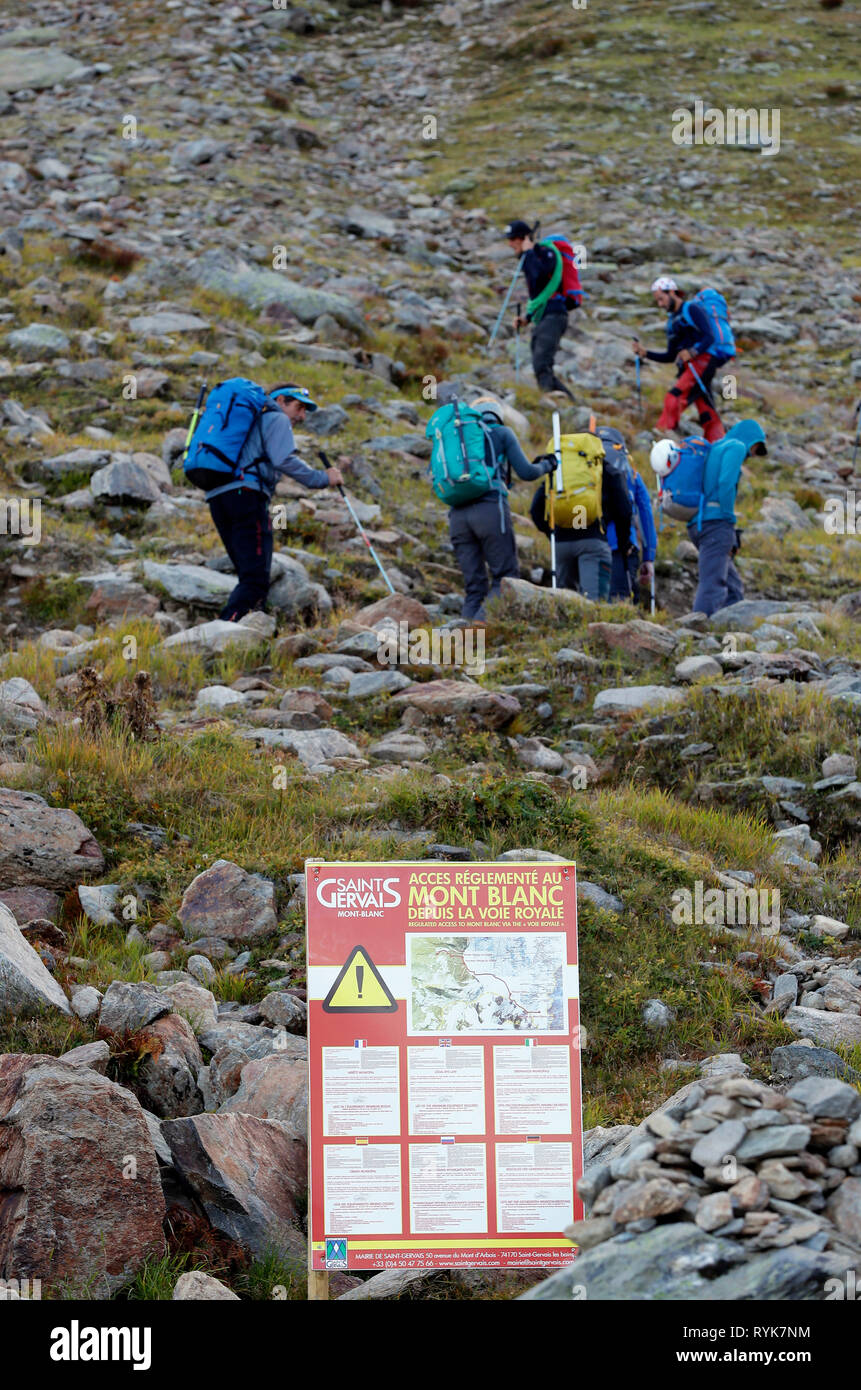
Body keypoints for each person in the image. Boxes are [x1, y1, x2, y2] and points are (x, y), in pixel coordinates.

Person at [207, 383, 343, 621]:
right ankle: (228, 633)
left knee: (247, 572)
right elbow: (284, 460)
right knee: (256, 579)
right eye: (299, 408)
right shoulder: (276, 418)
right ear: (281, 400)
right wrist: (322, 478)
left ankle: (240, 627)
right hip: (247, 496)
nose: (302, 416)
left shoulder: (248, 421)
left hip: (219, 496)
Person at [443, 392, 555, 620]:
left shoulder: (459, 438)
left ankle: (462, 645)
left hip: (457, 515)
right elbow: (526, 472)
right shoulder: (502, 432)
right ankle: (479, 636)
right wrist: (548, 464)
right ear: (497, 414)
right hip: (490, 509)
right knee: (504, 577)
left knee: (474, 588)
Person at [651, 419, 767, 616]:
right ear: (749, 438)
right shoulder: (736, 446)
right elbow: (726, 483)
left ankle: (733, 622)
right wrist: (729, 518)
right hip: (716, 524)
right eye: (756, 448)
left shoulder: (716, 446)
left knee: (732, 585)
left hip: (698, 524)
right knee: (713, 583)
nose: (753, 454)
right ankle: (698, 628)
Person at [529, 444, 633, 600]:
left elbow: (535, 508)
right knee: (594, 604)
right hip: (593, 542)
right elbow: (624, 510)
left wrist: (552, 534)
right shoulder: (604, 468)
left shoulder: (562, 471)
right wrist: (624, 544)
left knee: (564, 604)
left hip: (561, 543)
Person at [633, 276, 726, 442]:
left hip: (703, 362)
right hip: (689, 367)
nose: (660, 304)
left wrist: (692, 352)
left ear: (672, 292)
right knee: (706, 409)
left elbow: (709, 337)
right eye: (657, 301)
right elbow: (670, 356)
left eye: (661, 299)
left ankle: (663, 433)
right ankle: (718, 442)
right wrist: (645, 353)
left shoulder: (692, 309)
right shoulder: (672, 323)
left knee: (674, 396)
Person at [505, 219, 576, 403]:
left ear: (524, 238)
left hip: (554, 315)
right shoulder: (531, 257)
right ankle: (568, 402)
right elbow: (539, 292)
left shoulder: (546, 254)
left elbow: (540, 275)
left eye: (513, 239)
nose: (510, 244)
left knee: (541, 362)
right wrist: (527, 318)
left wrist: (529, 252)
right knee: (540, 363)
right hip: (544, 316)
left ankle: (550, 402)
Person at [597, 426, 657, 604]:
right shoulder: (630, 472)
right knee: (619, 602)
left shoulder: (585, 467)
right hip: (621, 547)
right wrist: (648, 556)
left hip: (587, 543)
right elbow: (645, 512)